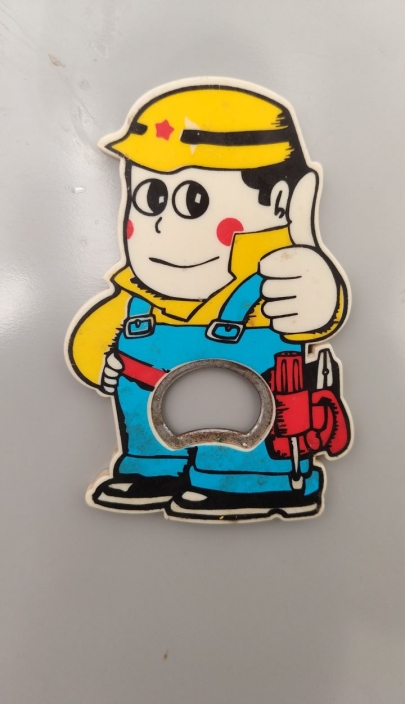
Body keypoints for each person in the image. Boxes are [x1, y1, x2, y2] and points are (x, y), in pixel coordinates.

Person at [66, 78, 350, 522]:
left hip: (258, 435)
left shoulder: (277, 284)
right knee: (138, 396)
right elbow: (93, 338)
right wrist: (95, 363)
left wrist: (316, 291)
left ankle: (252, 480)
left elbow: (316, 313)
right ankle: (152, 469)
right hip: (150, 432)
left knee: (258, 420)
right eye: (151, 199)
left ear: (281, 201)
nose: (163, 225)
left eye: (193, 201)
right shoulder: (136, 299)